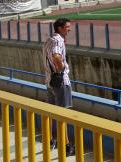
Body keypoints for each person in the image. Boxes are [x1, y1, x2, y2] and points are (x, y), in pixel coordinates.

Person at [43, 18, 75, 156]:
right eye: (67, 27)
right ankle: (67, 146)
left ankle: (52, 140)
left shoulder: (49, 40)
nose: (69, 29)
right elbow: (56, 56)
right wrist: (61, 69)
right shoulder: (57, 41)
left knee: (52, 113)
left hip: (50, 81)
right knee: (63, 114)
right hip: (60, 82)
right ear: (60, 28)